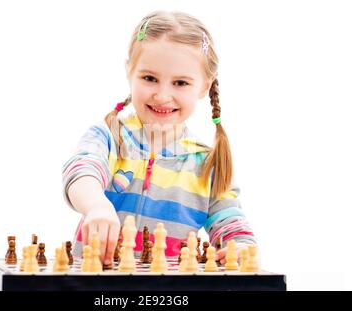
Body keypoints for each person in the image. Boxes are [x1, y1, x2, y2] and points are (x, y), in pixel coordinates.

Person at [62, 11, 256, 267]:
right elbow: (81, 171)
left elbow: (230, 222)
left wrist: (241, 248)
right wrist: (96, 205)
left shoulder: (208, 163)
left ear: (204, 86)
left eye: (180, 83)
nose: (163, 95)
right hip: (95, 283)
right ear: (129, 71)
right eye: (150, 78)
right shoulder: (108, 136)